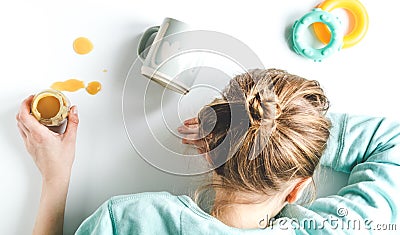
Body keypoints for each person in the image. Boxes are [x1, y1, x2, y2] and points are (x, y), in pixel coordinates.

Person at [16, 68, 400, 234]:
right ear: (298, 187)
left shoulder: (126, 221)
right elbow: (392, 141)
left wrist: (55, 178)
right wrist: (287, 138)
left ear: (206, 149)